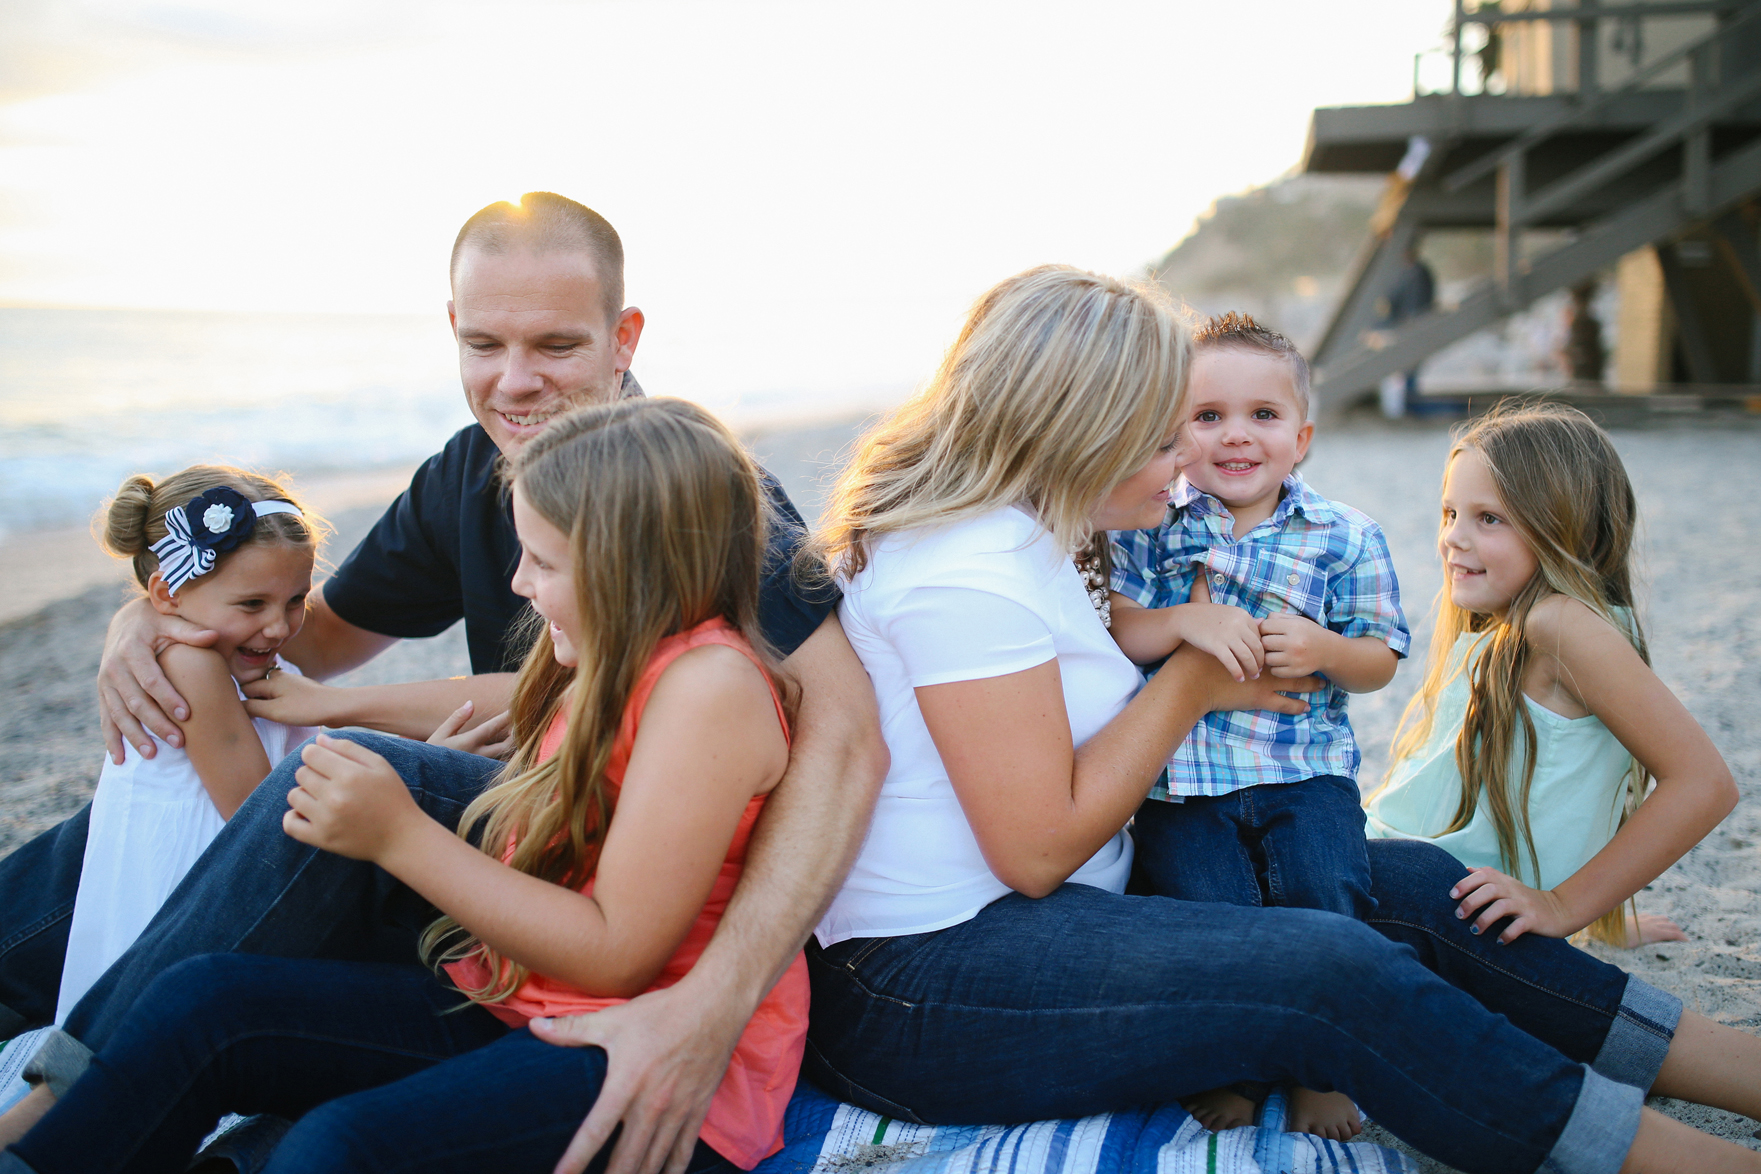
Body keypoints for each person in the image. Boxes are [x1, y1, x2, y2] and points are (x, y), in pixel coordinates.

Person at [804, 264, 1761, 1174]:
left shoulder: (1038, 533)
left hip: (1045, 914)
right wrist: (1192, 683)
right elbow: (1034, 849)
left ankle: (1737, 1074)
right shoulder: (965, 572)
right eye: (1162, 434)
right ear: (1074, 432)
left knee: (1432, 890)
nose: (1187, 460)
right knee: (1329, 970)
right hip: (928, 982)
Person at [0, 193, 886, 1174]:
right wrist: (156, 615)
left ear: (622, 338)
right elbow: (318, 640)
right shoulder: (491, 492)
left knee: (327, 1099)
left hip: (621, 951)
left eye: (554, 344)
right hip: (531, 915)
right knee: (173, 907)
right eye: (484, 343)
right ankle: (60, 1115)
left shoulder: (696, 511)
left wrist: (712, 1002)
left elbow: (844, 744)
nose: (515, 379)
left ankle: (69, 1100)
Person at [1107, 312, 1408, 1138]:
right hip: (1182, 777)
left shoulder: (1343, 535)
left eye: (1261, 416)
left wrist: (1323, 648)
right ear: (1173, 433)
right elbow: (1121, 625)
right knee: (1209, 918)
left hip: (1303, 769)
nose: (1234, 437)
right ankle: (1236, 1071)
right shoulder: (1152, 525)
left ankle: (1318, 1069)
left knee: (1325, 898)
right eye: (1207, 417)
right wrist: (1182, 626)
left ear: (1301, 436)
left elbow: (1380, 657)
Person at [1365, 402, 1734, 950]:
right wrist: (1594, 914)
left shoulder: (1557, 625)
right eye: (1450, 514)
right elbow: (1560, 794)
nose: (1453, 538)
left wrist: (1564, 906)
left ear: (1573, 533)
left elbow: (1705, 785)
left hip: (1410, 896)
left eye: (1488, 518)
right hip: (1402, 872)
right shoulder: (1516, 627)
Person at [56, 468, 324, 1023]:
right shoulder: (190, 666)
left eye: (296, 599)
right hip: (188, 897)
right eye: (252, 605)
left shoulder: (240, 656)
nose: (278, 626)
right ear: (166, 594)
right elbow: (259, 814)